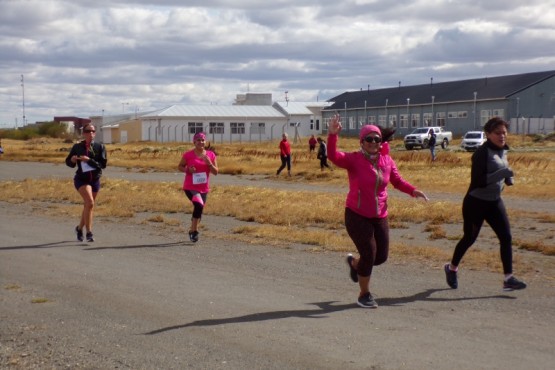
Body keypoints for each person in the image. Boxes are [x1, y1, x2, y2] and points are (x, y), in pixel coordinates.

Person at [327, 115, 428, 308]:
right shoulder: (354, 160)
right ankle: (364, 294)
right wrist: (333, 135)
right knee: (369, 253)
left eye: (377, 139)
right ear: (362, 142)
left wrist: (413, 190)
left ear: (381, 142)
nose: (373, 142)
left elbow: (397, 181)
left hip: (379, 215)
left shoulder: (387, 161)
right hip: (356, 214)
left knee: (380, 257)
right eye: (369, 139)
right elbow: (333, 156)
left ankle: (355, 265)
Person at [444, 117, 526, 291]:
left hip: (494, 202)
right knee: (469, 238)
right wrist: (503, 172)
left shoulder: (503, 149)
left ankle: (508, 279)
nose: (502, 136)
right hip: (476, 202)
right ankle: (451, 268)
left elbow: (502, 166)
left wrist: (508, 178)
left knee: (506, 237)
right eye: (497, 133)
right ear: (488, 134)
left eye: (504, 132)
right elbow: (479, 181)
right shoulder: (481, 153)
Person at [65, 124, 107, 242]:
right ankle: (89, 232)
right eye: (88, 131)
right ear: (84, 133)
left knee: (88, 206)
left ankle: (79, 229)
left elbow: (102, 165)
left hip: (94, 180)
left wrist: (89, 160)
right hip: (81, 180)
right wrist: (72, 160)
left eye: (93, 131)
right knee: (90, 202)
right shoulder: (78, 147)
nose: (91, 133)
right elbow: (68, 162)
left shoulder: (100, 147)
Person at [177, 132, 218, 242]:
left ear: (205, 141)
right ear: (194, 142)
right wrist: (188, 170)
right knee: (199, 205)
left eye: (202, 140)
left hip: (204, 188)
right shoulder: (188, 155)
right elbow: (180, 166)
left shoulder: (210, 155)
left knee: (199, 209)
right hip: (190, 187)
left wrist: (209, 163)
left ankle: (192, 229)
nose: (201, 142)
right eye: (198, 140)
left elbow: (216, 172)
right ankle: (194, 232)